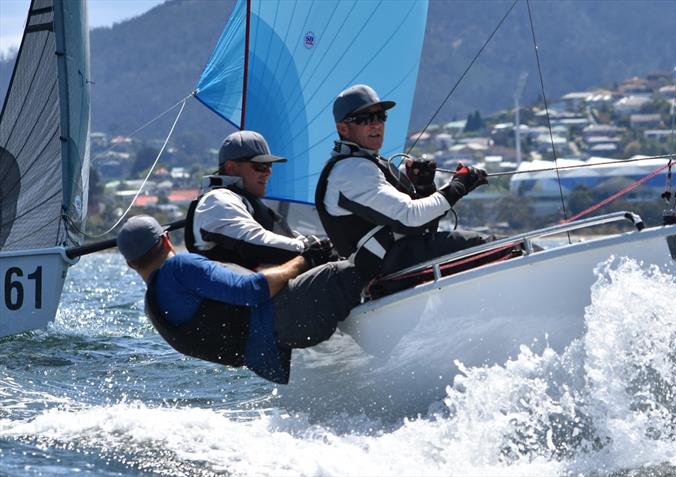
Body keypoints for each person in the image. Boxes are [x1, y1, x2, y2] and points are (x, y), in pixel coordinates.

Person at [117, 214, 364, 384]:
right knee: (351, 268)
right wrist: (306, 258)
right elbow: (250, 290)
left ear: (130, 264)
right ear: (166, 239)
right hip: (280, 319)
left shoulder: (154, 306)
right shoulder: (179, 267)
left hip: (268, 356)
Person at [315, 84, 492, 277]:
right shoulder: (351, 171)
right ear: (343, 128)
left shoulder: (366, 163)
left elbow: (423, 223)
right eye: (364, 118)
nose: (376, 124)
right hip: (393, 270)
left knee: (485, 246)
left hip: (402, 262)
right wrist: (458, 186)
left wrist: (423, 187)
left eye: (381, 116)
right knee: (486, 245)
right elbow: (410, 218)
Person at [185, 130, 317, 269]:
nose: (267, 173)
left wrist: (314, 244)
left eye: (269, 166)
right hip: (236, 288)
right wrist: (307, 248)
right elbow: (252, 241)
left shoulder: (243, 202)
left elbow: (281, 238)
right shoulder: (217, 200)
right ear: (231, 167)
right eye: (260, 166)